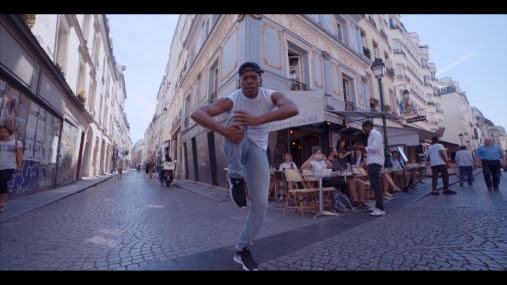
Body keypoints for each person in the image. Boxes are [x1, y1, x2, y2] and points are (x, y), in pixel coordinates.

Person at [191, 61, 298, 271]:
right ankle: (235, 177)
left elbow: (292, 108)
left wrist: (257, 120)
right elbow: (197, 113)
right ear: (239, 82)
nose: (249, 82)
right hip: (237, 144)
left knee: (261, 205)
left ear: (260, 80)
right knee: (235, 120)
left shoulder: (270, 95)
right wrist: (224, 131)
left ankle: (242, 249)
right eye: (245, 78)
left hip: (258, 151)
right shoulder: (232, 99)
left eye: (253, 78)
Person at [356, 120, 385, 217]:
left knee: (376, 185)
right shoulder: (371, 135)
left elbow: (376, 148)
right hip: (372, 162)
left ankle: (380, 208)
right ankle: (377, 206)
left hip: (375, 162)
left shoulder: (376, 134)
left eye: (363, 128)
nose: (363, 130)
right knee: (374, 185)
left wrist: (364, 148)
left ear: (368, 126)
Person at [0, 125, 24, 213]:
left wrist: (20, 166)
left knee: (1, 183)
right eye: (0, 132)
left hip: (9, 166)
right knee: (2, 184)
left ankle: (1, 203)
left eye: (4, 131)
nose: (2, 133)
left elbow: (20, 155)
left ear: (9, 132)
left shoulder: (17, 143)